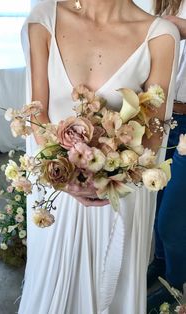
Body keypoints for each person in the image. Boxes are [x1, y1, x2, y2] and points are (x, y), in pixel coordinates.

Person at [19, 0, 179, 313]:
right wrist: (66, 181)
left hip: (117, 200)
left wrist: (104, 178)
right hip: (58, 196)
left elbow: (153, 139)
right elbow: (35, 117)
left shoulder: (161, 35)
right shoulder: (44, 19)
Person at [147, 0, 186, 312]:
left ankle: (176, 287)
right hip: (162, 118)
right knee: (156, 200)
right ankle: (160, 265)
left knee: (172, 218)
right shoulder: (164, 2)